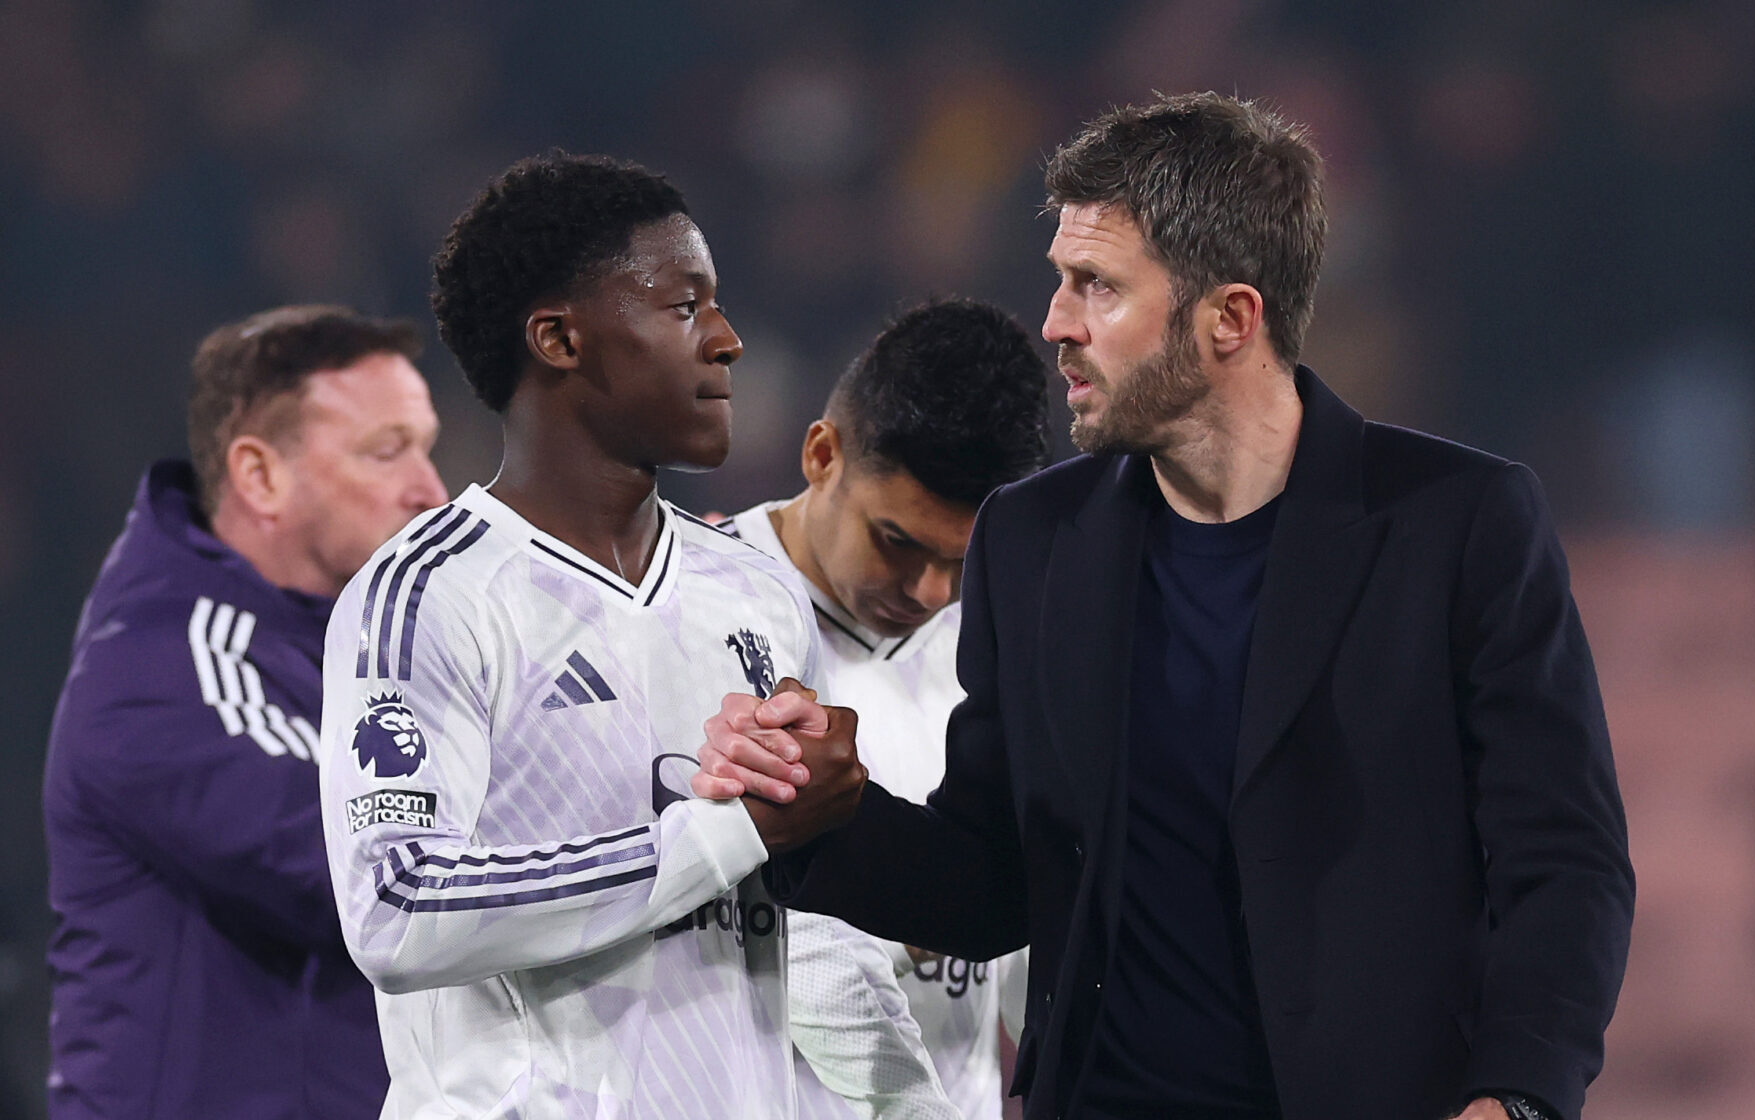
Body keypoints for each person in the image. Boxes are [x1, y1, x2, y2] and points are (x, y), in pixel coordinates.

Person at [694, 93, 1635, 1120]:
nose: (1054, 322)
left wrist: (1519, 1098)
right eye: (1061, 281)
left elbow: (1563, 858)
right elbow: (989, 873)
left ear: (1229, 318)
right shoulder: (1032, 538)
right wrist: (817, 812)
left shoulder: (1455, 524)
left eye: (1095, 287)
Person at [316, 152, 944, 1120]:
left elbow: (802, 930)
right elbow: (398, 909)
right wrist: (724, 829)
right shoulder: (428, 594)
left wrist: (910, 1105)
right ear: (560, 338)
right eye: (684, 305)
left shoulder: (756, 598)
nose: (727, 340)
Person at [43, 305, 448, 1118]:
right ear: (261, 476)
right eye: (385, 452)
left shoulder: (361, 640)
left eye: (427, 448)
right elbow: (384, 884)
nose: (430, 491)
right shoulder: (160, 668)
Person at [720, 298, 1048, 1120]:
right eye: (897, 541)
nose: (930, 591)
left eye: (960, 561)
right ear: (822, 453)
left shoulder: (1001, 652)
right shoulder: (698, 614)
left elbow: (1032, 948)